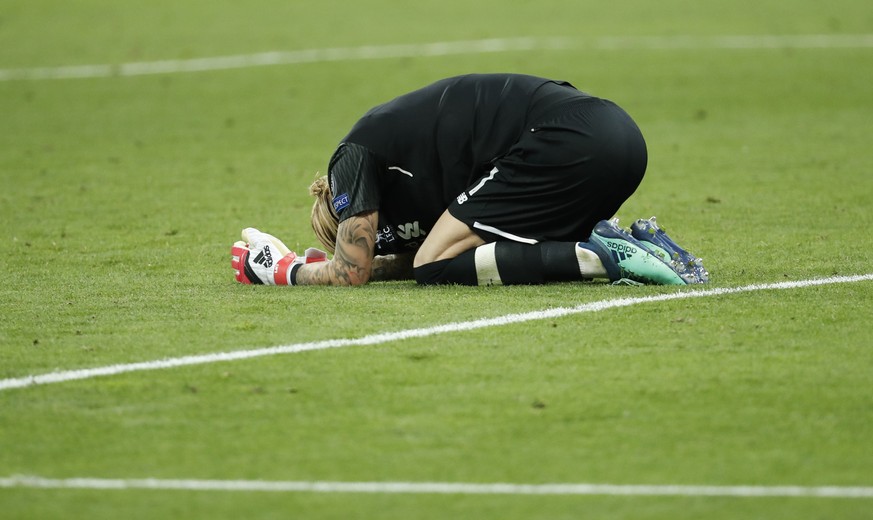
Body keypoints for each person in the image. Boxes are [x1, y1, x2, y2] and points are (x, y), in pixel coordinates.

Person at [231, 73, 708, 287]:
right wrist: (369, 265)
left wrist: (285, 269)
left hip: (565, 138)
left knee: (432, 268)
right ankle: (642, 246)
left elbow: (351, 272)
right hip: (616, 135)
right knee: (462, 249)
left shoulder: (350, 158)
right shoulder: (411, 166)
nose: (378, 242)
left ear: (347, 204)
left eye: (369, 236)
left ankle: (604, 258)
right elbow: (379, 261)